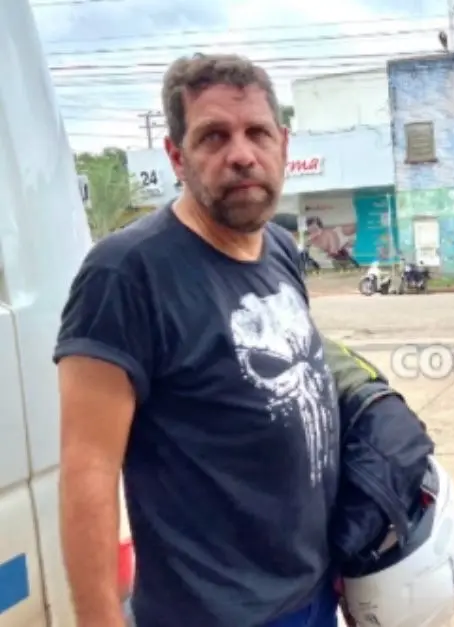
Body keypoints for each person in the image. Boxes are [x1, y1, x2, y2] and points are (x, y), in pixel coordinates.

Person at [54, 53, 411, 627]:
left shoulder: (280, 248)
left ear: (283, 145)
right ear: (176, 156)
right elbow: (88, 469)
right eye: (214, 136)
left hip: (313, 593)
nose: (241, 154)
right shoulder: (125, 273)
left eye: (257, 133)